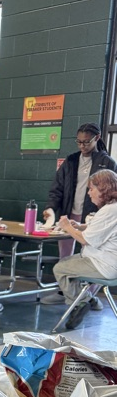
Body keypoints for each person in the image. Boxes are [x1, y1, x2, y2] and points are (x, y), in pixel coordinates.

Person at [42, 123, 116, 304]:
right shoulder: (71, 160)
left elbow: (108, 194)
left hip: (92, 214)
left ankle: (86, 298)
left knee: (90, 255)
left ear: (97, 138)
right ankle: (67, 293)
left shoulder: (107, 163)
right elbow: (57, 188)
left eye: (86, 142)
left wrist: (86, 222)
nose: (82, 146)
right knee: (68, 257)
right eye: (78, 142)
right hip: (71, 212)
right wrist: (51, 208)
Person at [51, 169, 117, 328]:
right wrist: (80, 226)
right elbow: (103, 229)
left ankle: (82, 302)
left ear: (103, 188)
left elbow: (85, 240)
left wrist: (67, 226)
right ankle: (90, 299)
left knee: (60, 269)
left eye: (91, 188)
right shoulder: (113, 208)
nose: (89, 193)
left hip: (103, 264)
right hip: (106, 261)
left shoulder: (109, 210)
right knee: (68, 265)